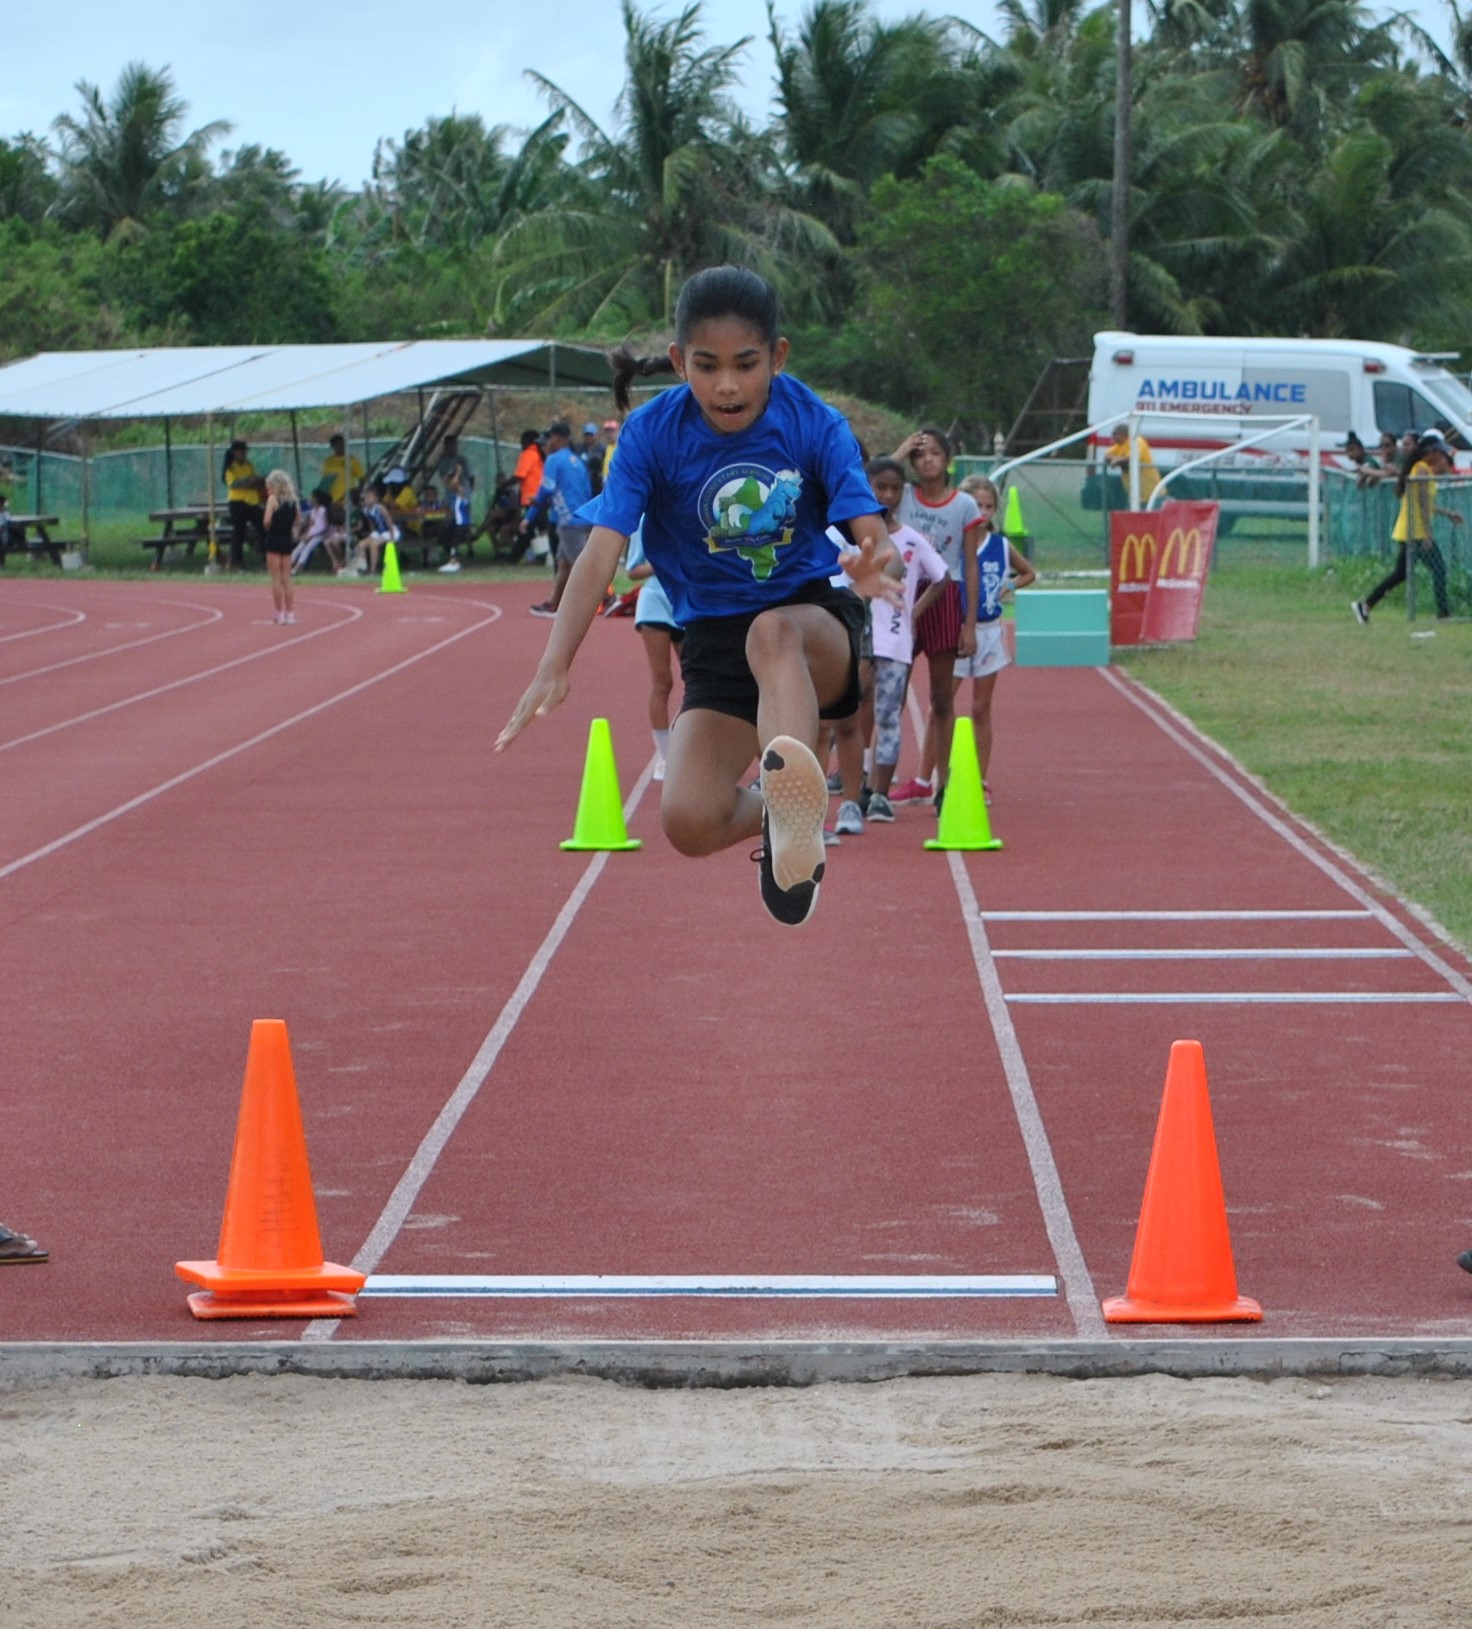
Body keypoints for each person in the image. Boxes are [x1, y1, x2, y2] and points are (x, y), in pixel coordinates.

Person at [496, 264, 901, 926]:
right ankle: (778, 815)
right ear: (681, 361)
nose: (728, 384)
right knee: (688, 819)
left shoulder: (812, 421)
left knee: (771, 632)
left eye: (746, 363)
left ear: (778, 356)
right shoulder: (653, 434)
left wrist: (873, 558)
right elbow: (603, 548)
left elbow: (868, 525)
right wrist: (555, 661)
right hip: (714, 639)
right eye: (708, 366)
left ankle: (793, 801)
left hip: (810, 625)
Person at [886, 427, 982, 812]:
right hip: (903, 595)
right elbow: (872, 479)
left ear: (948, 460)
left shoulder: (965, 506)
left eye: (934, 454)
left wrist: (970, 622)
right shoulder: (903, 496)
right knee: (890, 695)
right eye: (920, 455)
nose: (927, 460)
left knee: (942, 697)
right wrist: (901, 449)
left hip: (946, 595)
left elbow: (970, 564)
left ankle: (944, 784)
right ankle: (877, 784)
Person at [860, 456, 948, 823]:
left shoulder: (911, 539)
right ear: (868, 487)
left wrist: (915, 610)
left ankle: (879, 793)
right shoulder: (852, 537)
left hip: (896, 641)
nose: (888, 494)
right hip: (859, 636)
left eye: (896, 488)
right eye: (881, 486)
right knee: (851, 712)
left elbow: (941, 577)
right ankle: (857, 785)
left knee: (888, 716)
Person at [956, 474, 1037, 787]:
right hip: (958, 630)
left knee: (981, 708)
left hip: (989, 630)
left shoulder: (1000, 545)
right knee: (942, 706)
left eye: (989, 506)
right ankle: (934, 777)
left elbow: (1029, 572)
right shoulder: (954, 543)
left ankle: (980, 778)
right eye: (978, 505)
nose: (984, 512)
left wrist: (1010, 585)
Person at [1353, 430, 1462, 624]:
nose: (1441, 457)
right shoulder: (1420, 470)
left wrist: (1447, 514)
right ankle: (1443, 613)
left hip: (1412, 530)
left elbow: (1425, 503)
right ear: (1431, 452)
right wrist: (1428, 534)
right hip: (1416, 531)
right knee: (1439, 569)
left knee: (1400, 574)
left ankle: (1365, 605)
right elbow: (1420, 503)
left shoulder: (1424, 470)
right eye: (1439, 452)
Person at [521, 420, 594, 618]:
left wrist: (530, 515)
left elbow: (547, 488)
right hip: (582, 516)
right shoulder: (577, 460)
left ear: (560, 439)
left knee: (581, 564)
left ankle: (605, 598)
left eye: (550, 438)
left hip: (568, 519)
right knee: (564, 563)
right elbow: (587, 489)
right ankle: (555, 603)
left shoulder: (553, 460)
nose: (547, 443)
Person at [625, 526, 681, 779]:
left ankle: (691, 750)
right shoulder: (644, 523)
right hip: (655, 604)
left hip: (685, 602)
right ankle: (665, 757)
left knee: (698, 682)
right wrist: (664, 563)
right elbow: (633, 571)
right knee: (662, 681)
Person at [261, 469, 300, 624]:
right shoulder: (293, 501)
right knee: (287, 578)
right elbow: (297, 521)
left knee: (276, 578)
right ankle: (290, 613)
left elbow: (266, 521)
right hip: (287, 540)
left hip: (274, 540)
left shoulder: (272, 500)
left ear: (274, 485)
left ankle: (280, 612)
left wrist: (272, 524)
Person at [221, 440, 265, 569]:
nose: (245, 453)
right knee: (239, 531)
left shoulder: (248, 465)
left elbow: (255, 479)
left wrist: (257, 481)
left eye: (245, 451)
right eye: (242, 451)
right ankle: (237, 561)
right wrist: (248, 481)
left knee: (263, 528)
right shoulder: (230, 468)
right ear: (235, 453)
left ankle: (265, 556)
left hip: (252, 501)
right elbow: (234, 484)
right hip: (238, 502)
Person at [435, 435, 475, 571]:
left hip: (461, 520)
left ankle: (454, 560)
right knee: (451, 534)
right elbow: (447, 481)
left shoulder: (461, 490)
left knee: (456, 535)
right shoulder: (452, 490)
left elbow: (455, 483)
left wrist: (458, 474)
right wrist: (453, 473)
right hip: (456, 518)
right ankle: (453, 559)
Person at [290, 487, 345, 575]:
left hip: (323, 533)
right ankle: (288, 564)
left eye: (311, 497)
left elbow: (323, 527)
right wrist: (307, 534)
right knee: (300, 546)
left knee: (308, 547)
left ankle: (298, 567)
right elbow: (312, 525)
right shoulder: (313, 511)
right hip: (314, 533)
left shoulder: (323, 510)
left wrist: (310, 535)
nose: (309, 498)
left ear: (316, 499)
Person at [352, 478, 398, 576]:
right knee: (361, 545)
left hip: (389, 531)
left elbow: (389, 521)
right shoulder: (366, 510)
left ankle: (372, 570)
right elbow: (371, 523)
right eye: (366, 497)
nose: (367, 499)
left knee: (373, 545)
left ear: (376, 499)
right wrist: (372, 534)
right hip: (379, 532)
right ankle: (362, 567)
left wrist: (392, 536)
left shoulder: (380, 508)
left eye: (370, 497)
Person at [1105, 423, 1161, 503]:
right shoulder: (1119, 446)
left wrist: (1117, 460)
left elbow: (1132, 457)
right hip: (1136, 495)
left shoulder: (1137, 441)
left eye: (1115, 435)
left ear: (1124, 434)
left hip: (1152, 494)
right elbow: (1107, 456)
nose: (1113, 438)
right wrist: (1118, 459)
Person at [319, 434, 364, 513]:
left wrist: (358, 492)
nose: (340, 447)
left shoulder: (352, 460)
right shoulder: (328, 461)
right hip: (333, 498)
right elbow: (325, 479)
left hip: (348, 498)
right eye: (337, 445)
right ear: (333, 446)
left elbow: (362, 477)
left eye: (341, 444)